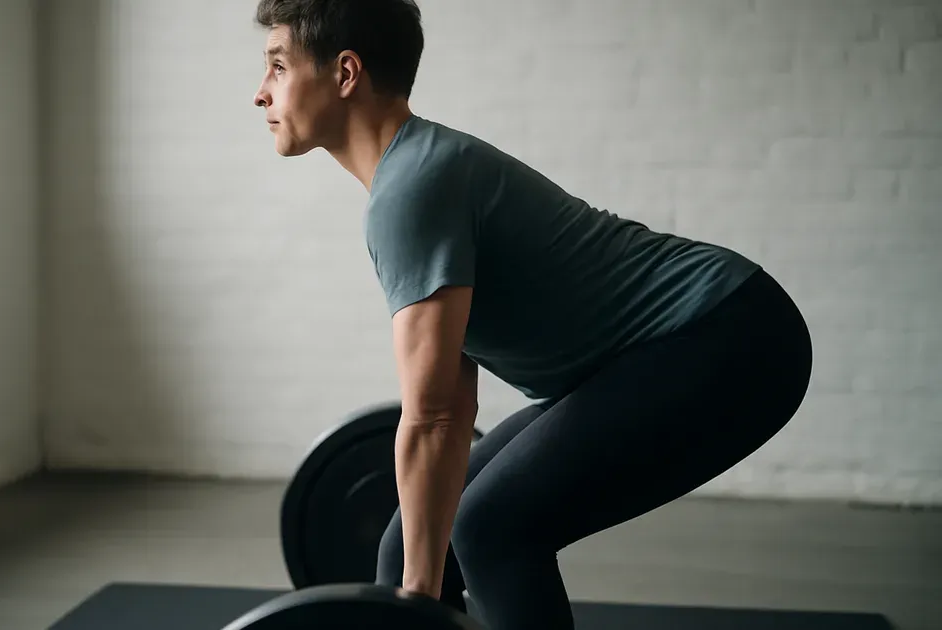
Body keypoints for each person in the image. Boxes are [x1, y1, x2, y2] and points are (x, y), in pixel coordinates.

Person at [251, 1, 813, 628]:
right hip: (659, 351)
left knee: (490, 528)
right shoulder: (415, 172)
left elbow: (432, 418)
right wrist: (417, 585)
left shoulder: (412, 188)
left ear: (345, 73)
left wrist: (417, 605)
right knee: (406, 545)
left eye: (278, 66)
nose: (260, 92)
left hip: (726, 335)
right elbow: (451, 403)